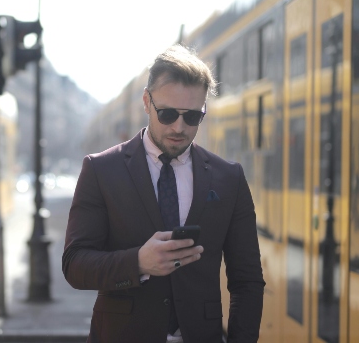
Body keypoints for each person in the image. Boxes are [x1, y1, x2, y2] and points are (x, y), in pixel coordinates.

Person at [62, 44, 264, 343]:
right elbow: (75, 265)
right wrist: (139, 263)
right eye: (168, 114)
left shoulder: (228, 178)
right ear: (147, 101)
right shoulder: (101, 170)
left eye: (193, 117)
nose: (179, 127)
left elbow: (247, 280)